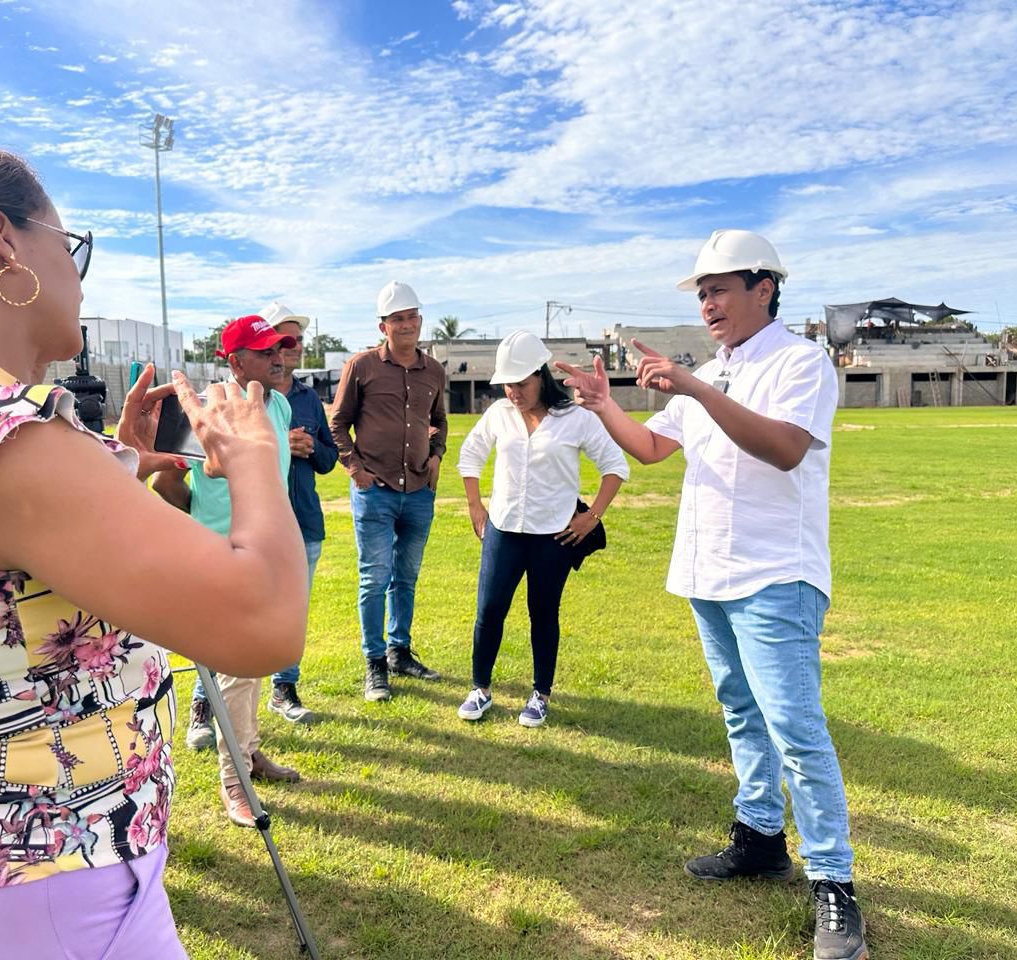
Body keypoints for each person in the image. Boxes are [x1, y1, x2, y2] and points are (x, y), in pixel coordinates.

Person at [0, 137, 305, 960]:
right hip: (50, 887)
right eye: (68, 245)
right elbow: (266, 624)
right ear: (3, 237)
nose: (76, 275)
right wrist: (254, 461)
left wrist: (113, 463)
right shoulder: (9, 438)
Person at [557, 229, 867, 960]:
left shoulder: (799, 361)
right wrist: (603, 405)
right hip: (709, 571)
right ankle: (760, 837)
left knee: (795, 727)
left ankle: (834, 881)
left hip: (776, 573)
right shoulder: (711, 370)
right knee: (740, 711)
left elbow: (784, 448)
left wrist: (695, 388)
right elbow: (651, 448)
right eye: (701, 293)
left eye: (719, 289)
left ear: (764, 288)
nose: (707, 304)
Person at [153, 314, 303, 827]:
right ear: (235, 362)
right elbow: (167, 485)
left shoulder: (278, 405)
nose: (279, 359)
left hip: (266, 547)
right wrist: (204, 524)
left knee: (253, 666)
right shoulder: (206, 410)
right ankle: (234, 779)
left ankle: (249, 754)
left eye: (281, 349)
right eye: (266, 352)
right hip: (223, 554)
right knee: (238, 671)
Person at [456, 331, 627, 727]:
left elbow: (615, 466)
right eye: (507, 384)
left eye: (520, 383)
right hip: (503, 528)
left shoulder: (576, 418)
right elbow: (471, 454)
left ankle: (541, 694)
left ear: (541, 375)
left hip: (553, 535)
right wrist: (475, 504)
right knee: (489, 609)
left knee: (544, 612)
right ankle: (480, 688)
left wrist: (592, 516)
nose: (513, 392)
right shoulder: (499, 414)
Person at [330, 281, 447, 701]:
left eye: (412, 316)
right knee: (374, 578)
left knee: (407, 578)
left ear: (420, 320)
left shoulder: (434, 371)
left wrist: (436, 456)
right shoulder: (361, 366)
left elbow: (439, 421)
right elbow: (338, 423)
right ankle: (375, 664)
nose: (407, 324)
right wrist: (355, 469)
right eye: (397, 319)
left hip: (418, 491)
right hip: (374, 491)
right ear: (383, 326)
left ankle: (400, 652)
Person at [259, 301, 338, 724]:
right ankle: (207, 700)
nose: (294, 347)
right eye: (285, 340)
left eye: (299, 340)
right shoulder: (244, 397)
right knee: (230, 610)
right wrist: (279, 444)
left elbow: (330, 458)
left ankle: (284, 688)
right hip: (253, 525)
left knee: (292, 613)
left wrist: (311, 449)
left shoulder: (309, 398)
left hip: (304, 522)